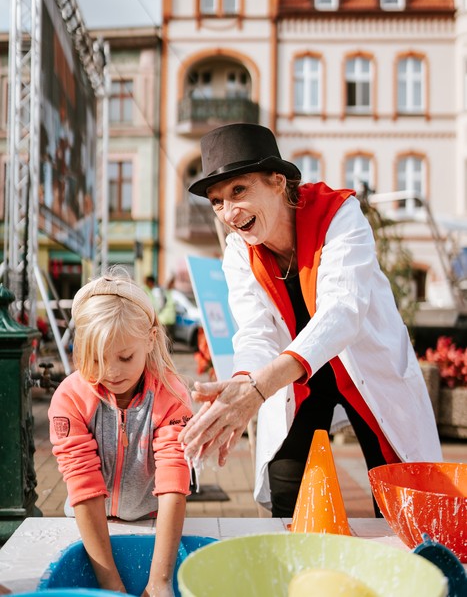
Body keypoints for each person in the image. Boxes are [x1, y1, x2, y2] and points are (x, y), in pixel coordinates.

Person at [179, 122, 442, 517]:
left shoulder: (339, 215)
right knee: (287, 488)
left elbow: (343, 311)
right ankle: (294, 558)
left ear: (277, 182)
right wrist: (242, 382)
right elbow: (255, 332)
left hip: (365, 372)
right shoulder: (238, 251)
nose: (229, 212)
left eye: (239, 190)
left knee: (397, 496)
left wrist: (258, 388)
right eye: (217, 201)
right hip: (300, 382)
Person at [49, 271, 192, 597]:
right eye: (96, 359)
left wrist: (159, 581)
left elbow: (174, 482)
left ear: (151, 339)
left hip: (151, 523)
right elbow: (83, 485)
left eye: (125, 357)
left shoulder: (172, 395)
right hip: (86, 525)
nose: (111, 372)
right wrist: (111, 586)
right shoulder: (70, 398)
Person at [158, 276, 177, 345]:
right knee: (164, 339)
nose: (174, 286)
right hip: (164, 320)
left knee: (170, 339)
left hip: (171, 320)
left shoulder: (171, 294)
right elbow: (160, 306)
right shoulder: (164, 294)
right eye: (173, 284)